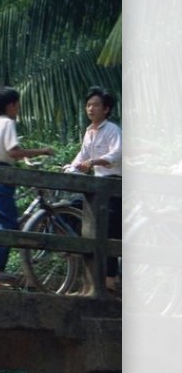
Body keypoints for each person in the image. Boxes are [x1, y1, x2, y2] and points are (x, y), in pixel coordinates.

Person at [0, 86, 54, 288]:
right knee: (8, 223)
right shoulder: (8, 123)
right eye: (17, 105)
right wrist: (41, 151)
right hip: (1, 175)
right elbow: (13, 151)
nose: (18, 108)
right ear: (11, 105)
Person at [64, 86, 122, 292]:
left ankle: (110, 279)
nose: (90, 108)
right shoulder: (89, 132)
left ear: (106, 109)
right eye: (88, 105)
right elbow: (82, 157)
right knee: (71, 209)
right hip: (96, 186)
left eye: (95, 105)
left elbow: (117, 154)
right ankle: (77, 253)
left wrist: (95, 161)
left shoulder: (113, 130)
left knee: (110, 232)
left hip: (114, 184)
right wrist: (69, 169)